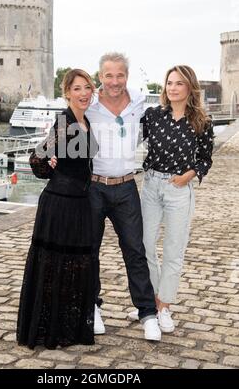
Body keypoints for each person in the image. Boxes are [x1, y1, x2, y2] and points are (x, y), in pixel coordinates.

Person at [16, 69, 98, 350]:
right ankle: (51, 332)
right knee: (56, 267)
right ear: (67, 93)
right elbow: (36, 159)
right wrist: (46, 161)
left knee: (72, 266)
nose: (84, 93)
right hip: (60, 203)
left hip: (78, 204)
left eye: (87, 87)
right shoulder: (64, 121)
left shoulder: (84, 120)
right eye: (77, 88)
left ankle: (64, 328)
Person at [128, 65, 214, 333]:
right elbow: (125, 137)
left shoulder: (201, 121)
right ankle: (149, 304)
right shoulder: (153, 116)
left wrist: (189, 175)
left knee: (174, 250)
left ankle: (164, 306)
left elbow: (205, 159)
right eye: (169, 82)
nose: (172, 87)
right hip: (151, 184)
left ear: (190, 87)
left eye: (179, 83)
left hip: (179, 189)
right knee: (145, 246)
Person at [86, 52, 161, 341]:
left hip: (126, 187)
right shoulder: (89, 103)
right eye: (108, 75)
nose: (114, 81)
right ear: (100, 77)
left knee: (135, 251)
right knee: (89, 251)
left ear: (126, 76)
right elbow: (68, 128)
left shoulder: (140, 102)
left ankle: (147, 313)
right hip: (93, 187)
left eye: (119, 75)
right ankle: (91, 307)